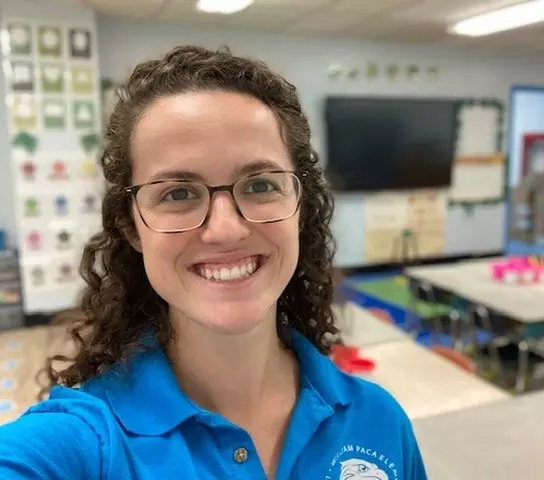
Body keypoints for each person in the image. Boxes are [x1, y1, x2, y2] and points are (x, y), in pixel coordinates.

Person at [0, 45, 427, 480]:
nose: (226, 230)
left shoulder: (381, 423)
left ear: (301, 207)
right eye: (178, 193)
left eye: (260, 184)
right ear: (132, 227)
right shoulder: (81, 445)